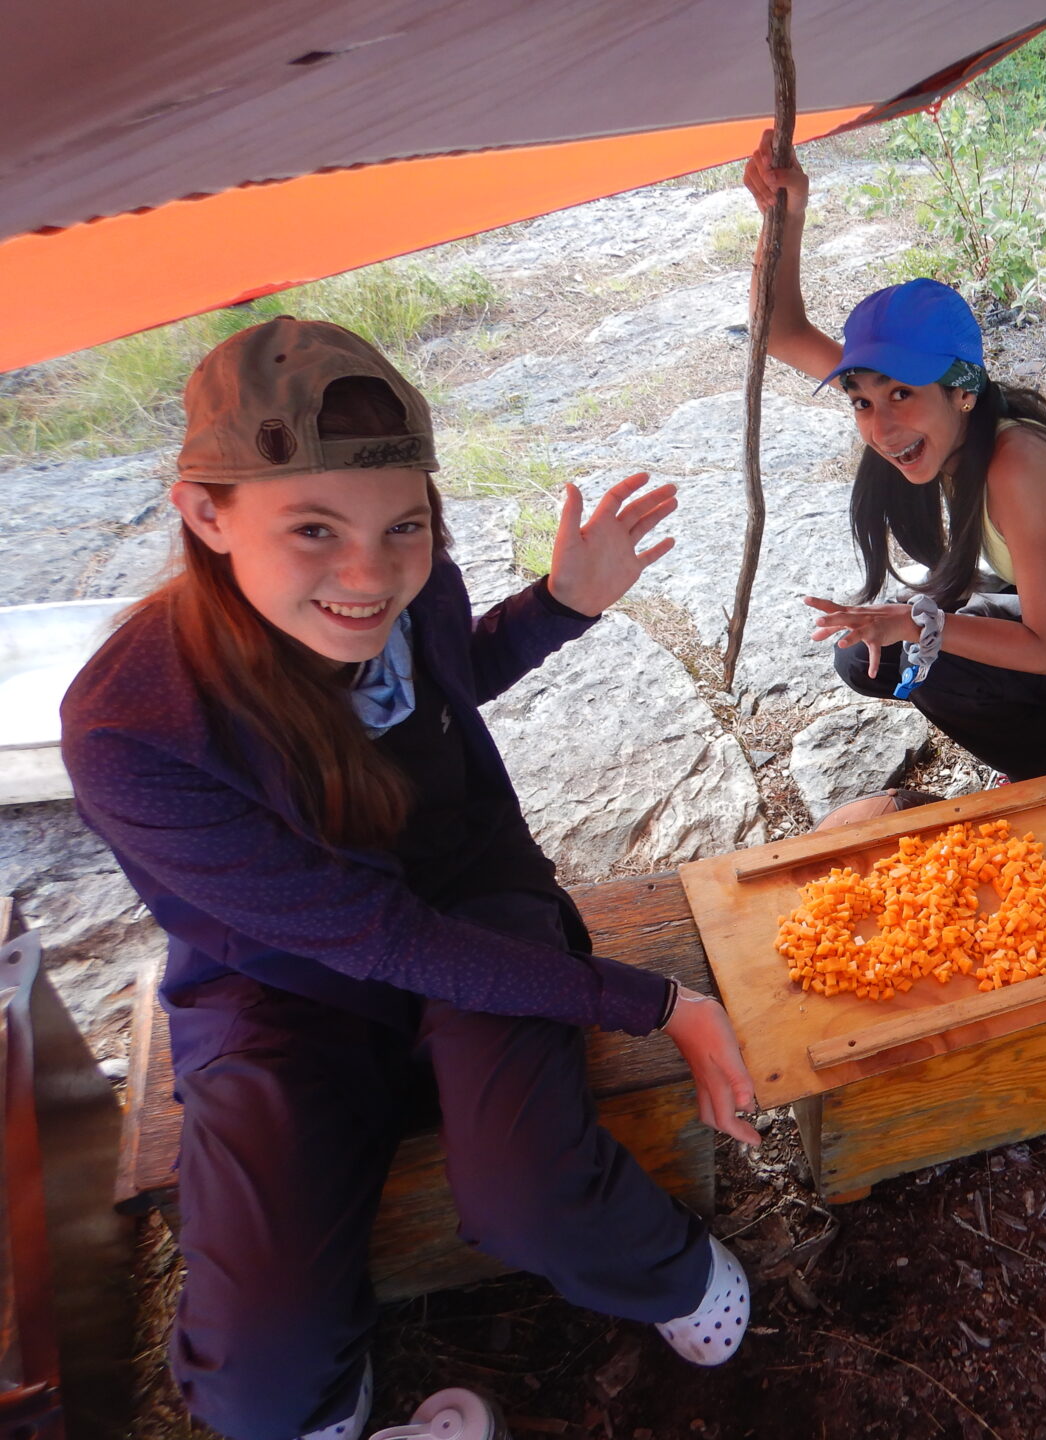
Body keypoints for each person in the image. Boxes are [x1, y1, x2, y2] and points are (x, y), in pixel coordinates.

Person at [61, 318, 761, 1440]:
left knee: (535, 1199)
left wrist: (560, 606)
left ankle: (680, 1275)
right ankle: (337, 1409)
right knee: (257, 1388)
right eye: (312, 529)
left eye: (404, 525)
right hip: (277, 984)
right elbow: (376, 939)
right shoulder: (133, 726)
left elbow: (441, 690)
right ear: (206, 512)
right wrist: (658, 1002)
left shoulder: (405, 584)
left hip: (471, 896)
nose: (370, 574)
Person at [744, 135, 1046, 781]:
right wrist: (783, 215)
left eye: (902, 393)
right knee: (864, 658)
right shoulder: (953, 420)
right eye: (862, 402)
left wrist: (913, 620)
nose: (881, 426)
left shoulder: (1016, 465)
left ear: (962, 391)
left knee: (928, 664)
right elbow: (779, 333)